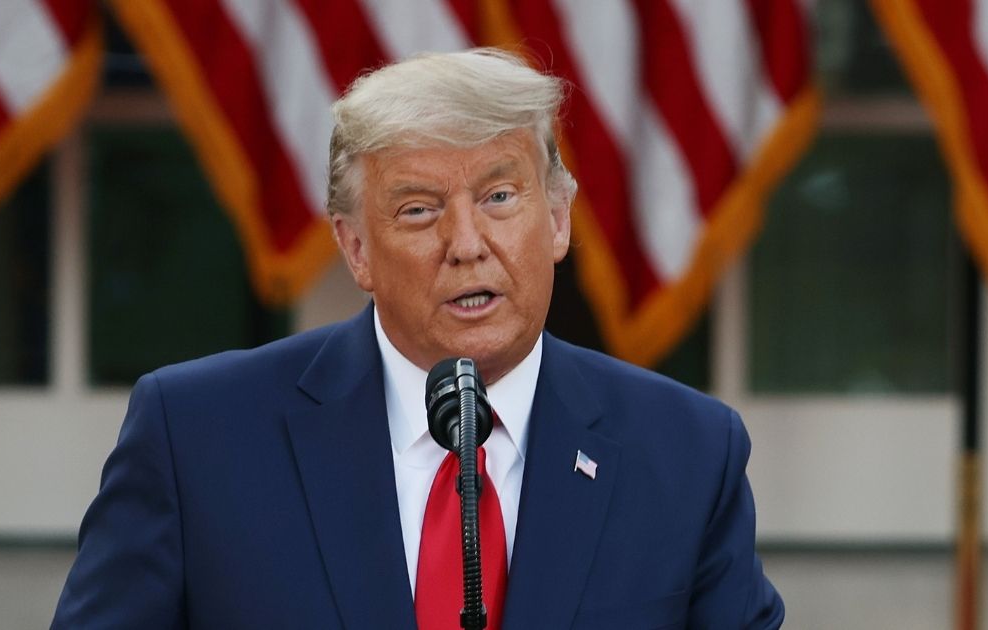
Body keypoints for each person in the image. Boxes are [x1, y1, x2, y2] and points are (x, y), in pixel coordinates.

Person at [52, 48, 783, 629]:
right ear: (357, 249)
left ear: (558, 219)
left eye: (499, 197)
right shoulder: (196, 438)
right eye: (417, 210)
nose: (467, 244)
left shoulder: (686, 452)